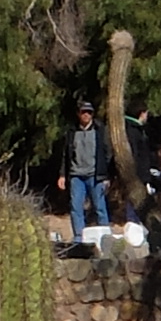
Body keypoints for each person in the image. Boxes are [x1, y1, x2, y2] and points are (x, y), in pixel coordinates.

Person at [65, 102, 107, 240]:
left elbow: (107, 153)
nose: (86, 115)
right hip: (76, 176)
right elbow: (66, 154)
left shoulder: (99, 130)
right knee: (76, 208)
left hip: (95, 176)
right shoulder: (72, 132)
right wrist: (62, 175)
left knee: (100, 207)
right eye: (83, 112)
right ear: (78, 114)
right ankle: (79, 238)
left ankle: (105, 239)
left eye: (89, 112)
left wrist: (105, 175)